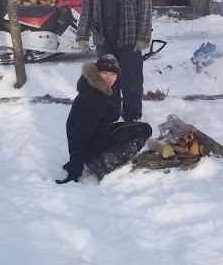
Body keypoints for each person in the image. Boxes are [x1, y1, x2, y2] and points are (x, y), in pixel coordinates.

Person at [75, 0, 153, 122]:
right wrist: (82, 35)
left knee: (131, 79)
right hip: (104, 38)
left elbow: (146, 6)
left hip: (129, 37)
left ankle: (132, 116)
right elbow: (87, 8)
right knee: (106, 79)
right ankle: (110, 113)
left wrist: (143, 35)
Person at [58, 54, 153, 184]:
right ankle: (103, 162)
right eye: (104, 72)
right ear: (96, 73)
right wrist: (75, 168)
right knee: (144, 130)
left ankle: (94, 158)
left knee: (140, 128)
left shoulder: (101, 89)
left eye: (113, 74)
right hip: (93, 145)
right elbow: (79, 135)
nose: (109, 77)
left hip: (99, 134)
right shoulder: (92, 99)